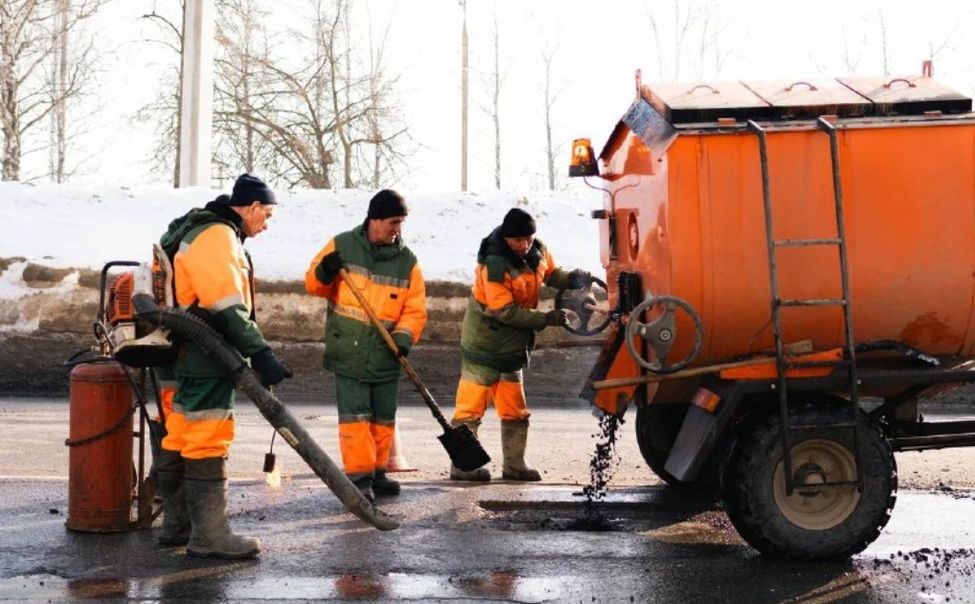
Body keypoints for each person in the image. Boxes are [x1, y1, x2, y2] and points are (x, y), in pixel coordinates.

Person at [155, 173, 292, 560]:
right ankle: (210, 535)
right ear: (251, 207)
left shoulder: (196, 230)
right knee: (207, 436)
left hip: (185, 350)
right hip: (207, 354)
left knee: (180, 433)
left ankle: (178, 526)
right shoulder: (217, 235)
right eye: (266, 216)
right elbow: (226, 303)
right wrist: (260, 353)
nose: (266, 225)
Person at [449, 208, 591, 482]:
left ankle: (515, 465)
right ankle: (462, 465)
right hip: (484, 347)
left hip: (511, 349)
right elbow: (505, 312)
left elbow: (551, 273)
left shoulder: (537, 249)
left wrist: (572, 279)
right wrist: (546, 318)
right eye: (518, 240)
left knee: (515, 409)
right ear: (506, 238)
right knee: (470, 409)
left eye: (528, 238)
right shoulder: (495, 266)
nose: (525, 245)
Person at [304, 189, 427, 502]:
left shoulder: (407, 262)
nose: (398, 229)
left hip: (386, 354)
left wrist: (403, 339)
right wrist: (325, 270)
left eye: (401, 222)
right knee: (356, 418)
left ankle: (377, 471)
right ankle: (358, 478)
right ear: (375, 219)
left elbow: (414, 310)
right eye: (393, 222)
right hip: (349, 351)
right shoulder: (342, 245)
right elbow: (313, 284)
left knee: (383, 419)